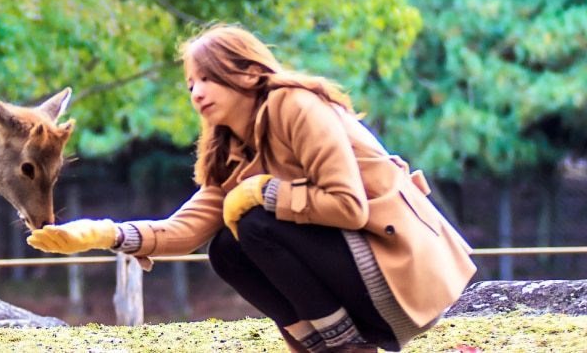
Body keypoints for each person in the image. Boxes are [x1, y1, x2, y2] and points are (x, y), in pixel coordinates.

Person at [27, 24, 475, 353]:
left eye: (208, 78)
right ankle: (326, 348)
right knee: (225, 249)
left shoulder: (296, 105)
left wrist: (266, 191)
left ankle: (347, 349)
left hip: (399, 278)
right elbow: (184, 229)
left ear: (244, 72)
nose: (196, 93)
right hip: (360, 282)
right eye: (190, 84)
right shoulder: (230, 149)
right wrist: (102, 234)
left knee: (256, 223)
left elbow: (349, 207)